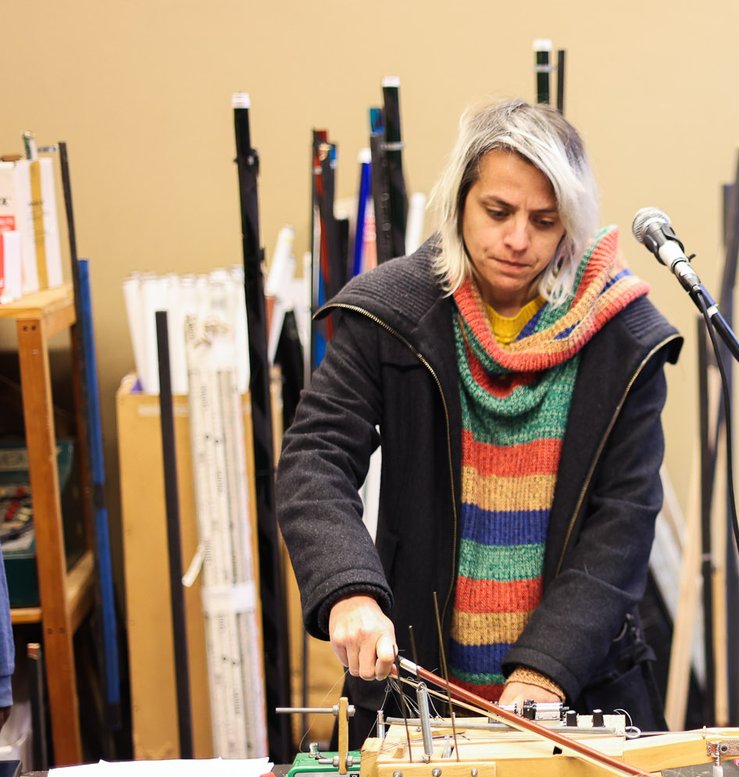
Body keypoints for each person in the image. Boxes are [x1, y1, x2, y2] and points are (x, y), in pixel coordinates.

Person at [278, 99, 683, 733]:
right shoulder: (392, 313)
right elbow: (315, 459)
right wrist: (348, 589)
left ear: (571, 224)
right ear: (458, 203)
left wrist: (546, 669)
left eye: (544, 221)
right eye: (497, 212)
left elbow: (623, 522)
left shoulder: (623, 338)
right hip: (414, 692)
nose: (518, 240)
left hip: (583, 687)